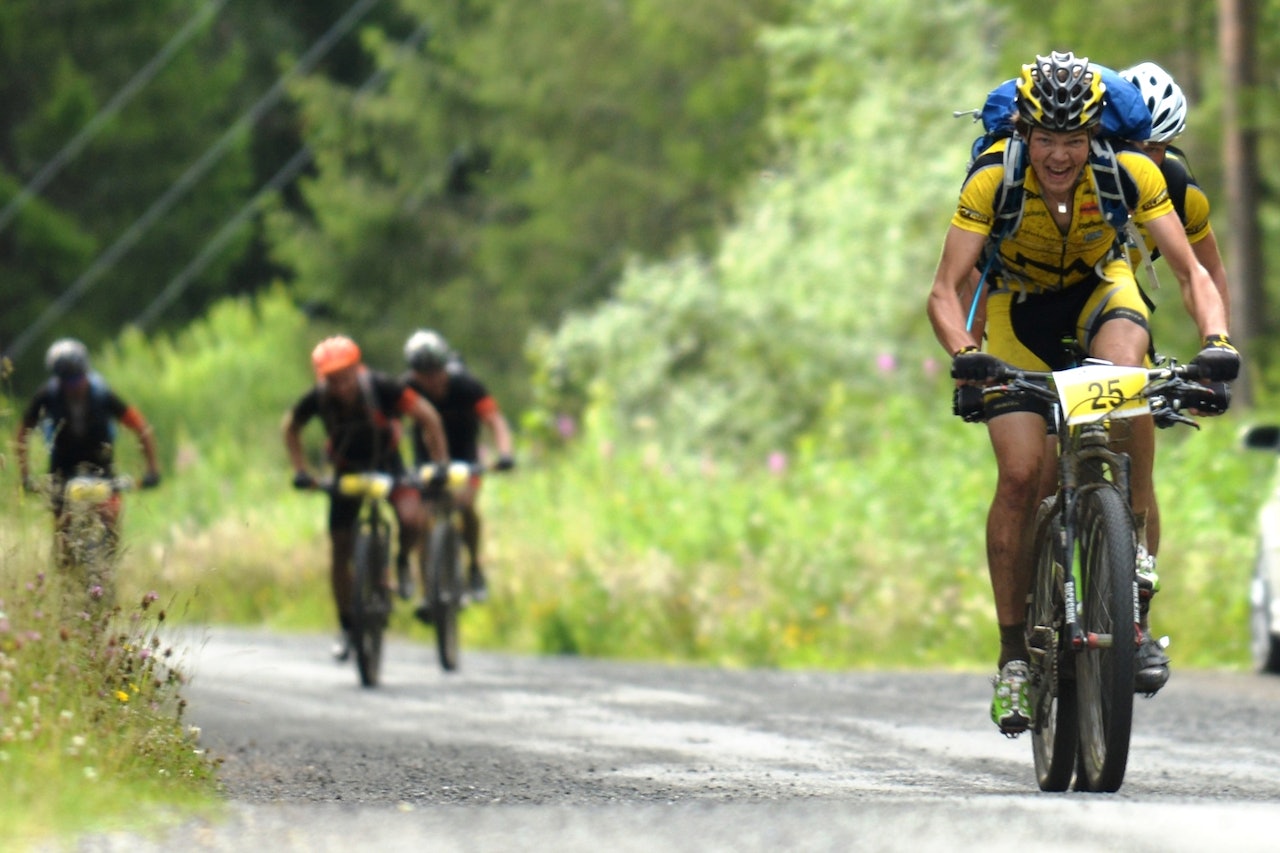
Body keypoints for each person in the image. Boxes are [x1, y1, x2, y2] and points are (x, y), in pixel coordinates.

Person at [926, 52, 1239, 735]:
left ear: (1096, 136)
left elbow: (1191, 271)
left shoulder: (1132, 174)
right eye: (1046, 140)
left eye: (1074, 140)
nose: (1060, 155)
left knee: (1126, 379)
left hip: (1101, 291)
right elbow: (944, 291)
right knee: (1019, 475)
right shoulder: (991, 180)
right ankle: (1014, 658)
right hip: (1017, 311)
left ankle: (1122, 559)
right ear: (1024, 134)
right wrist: (967, 356)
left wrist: (1216, 339)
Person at [283, 334, 449, 659]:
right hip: (346, 472)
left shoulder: (383, 387)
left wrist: (440, 463)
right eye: (332, 380)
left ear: (357, 370)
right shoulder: (318, 398)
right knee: (339, 549)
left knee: (411, 517)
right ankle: (347, 625)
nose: (340, 387)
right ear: (322, 378)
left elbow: (429, 417)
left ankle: (402, 562)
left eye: (345, 378)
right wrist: (301, 470)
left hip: (389, 464)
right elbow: (290, 428)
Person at [15, 337, 162, 582]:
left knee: (110, 517)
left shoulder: (102, 394)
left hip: (102, 470)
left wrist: (152, 468)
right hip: (62, 472)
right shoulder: (47, 396)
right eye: (68, 381)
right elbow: (22, 433)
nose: (75, 385)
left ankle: (108, 572)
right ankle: (66, 578)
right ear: (59, 381)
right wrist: (25, 476)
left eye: (79, 378)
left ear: (86, 373)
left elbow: (140, 426)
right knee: (63, 531)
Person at [402, 328, 515, 606]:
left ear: (445, 366)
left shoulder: (467, 386)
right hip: (427, 460)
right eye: (423, 373)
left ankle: (474, 567)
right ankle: (428, 591)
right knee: (421, 521)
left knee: (465, 504)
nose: (432, 379)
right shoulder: (407, 389)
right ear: (414, 373)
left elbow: (495, 421)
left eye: (436, 371)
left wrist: (505, 453)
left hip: (465, 457)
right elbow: (391, 421)